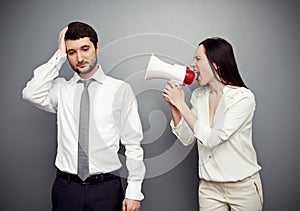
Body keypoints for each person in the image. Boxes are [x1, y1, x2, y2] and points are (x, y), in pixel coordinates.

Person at [22, 21, 145, 211]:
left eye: (85, 49)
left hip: (107, 189)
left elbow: (133, 144)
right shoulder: (61, 89)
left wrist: (134, 191)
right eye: (72, 52)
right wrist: (59, 56)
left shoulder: (120, 90)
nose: (79, 58)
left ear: (97, 47)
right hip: (66, 189)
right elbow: (30, 93)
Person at [162, 37, 263, 210]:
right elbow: (187, 138)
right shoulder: (199, 96)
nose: (193, 64)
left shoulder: (242, 98)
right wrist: (175, 107)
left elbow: (212, 139)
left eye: (198, 59)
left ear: (216, 64)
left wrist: (182, 104)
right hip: (209, 188)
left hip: (242, 188)